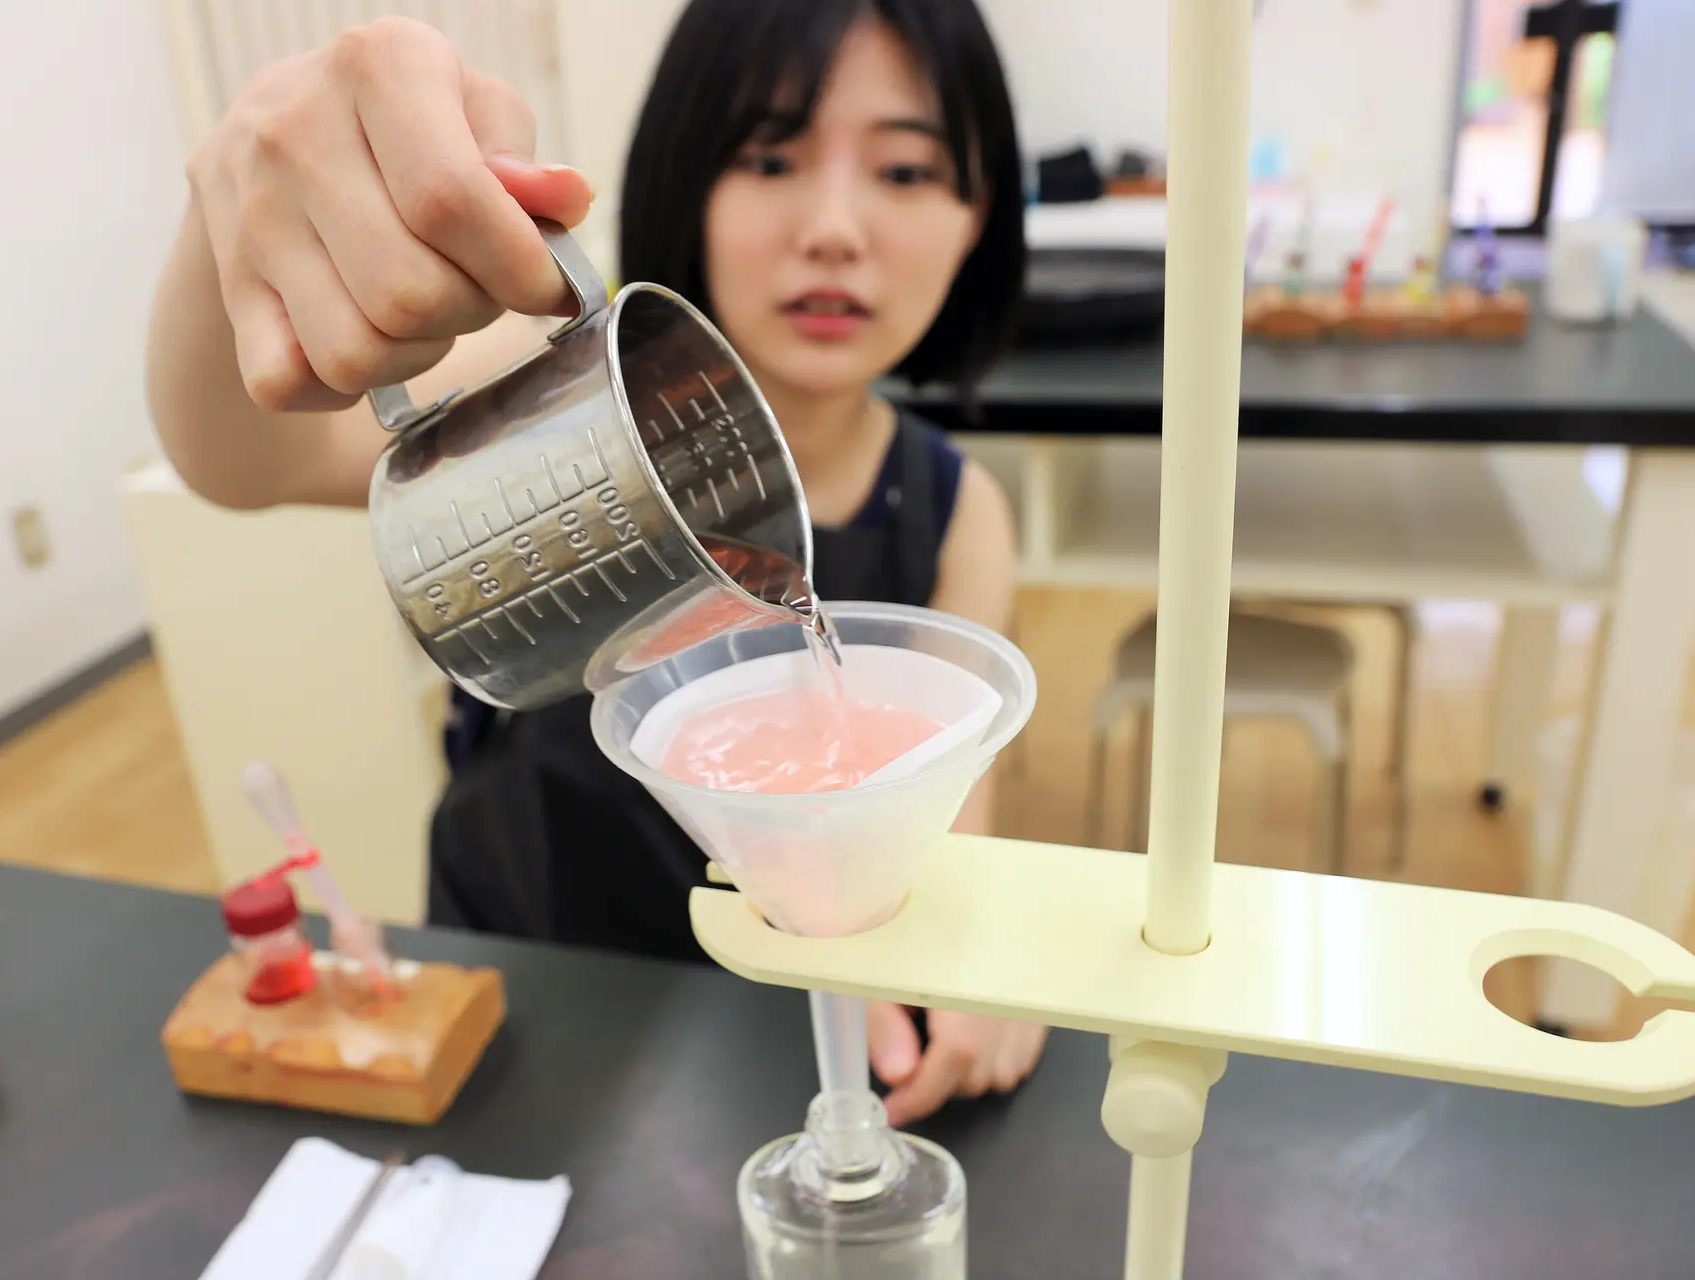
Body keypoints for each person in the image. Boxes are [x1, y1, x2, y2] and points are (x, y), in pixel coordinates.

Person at [146, 0, 1044, 1125]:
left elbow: (952, 818)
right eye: (771, 158)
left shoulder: (961, 515)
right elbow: (239, 458)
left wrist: (977, 967)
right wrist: (225, 220)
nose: (833, 229)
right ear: (685, 175)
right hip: (528, 1007)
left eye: (905, 171)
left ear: (976, 218)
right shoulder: (538, 387)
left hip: (777, 1054)